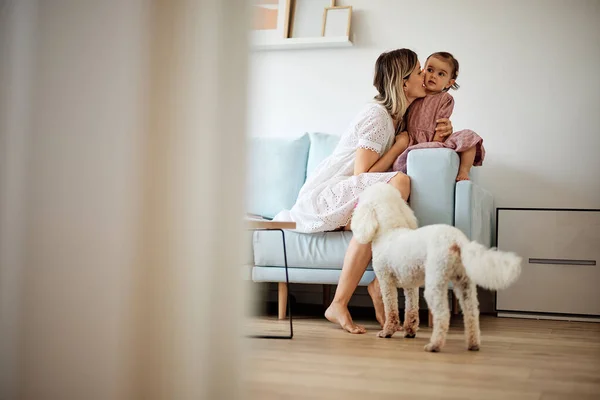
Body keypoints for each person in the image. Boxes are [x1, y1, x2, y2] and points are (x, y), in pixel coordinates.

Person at [275, 48, 453, 333]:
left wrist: (445, 131)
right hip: (327, 195)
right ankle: (366, 290)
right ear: (403, 82)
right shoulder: (377, 115)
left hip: (358, 196)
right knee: (400, 182)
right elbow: (362, 175)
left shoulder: (401, 118)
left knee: (378, 214)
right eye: (420, 70)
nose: (426, 76)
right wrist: (397, 146)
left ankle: (356, 295)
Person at [392, 52, 485, 181]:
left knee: (469, 136)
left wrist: (434, 147)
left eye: (441, 74)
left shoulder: (445, 99)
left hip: (435, 140)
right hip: (411, 141)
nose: (433, 76)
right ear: (423, 70)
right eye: (430, 70)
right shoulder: (416, 94)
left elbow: (441, 124)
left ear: (449, 83)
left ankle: (464, 171)